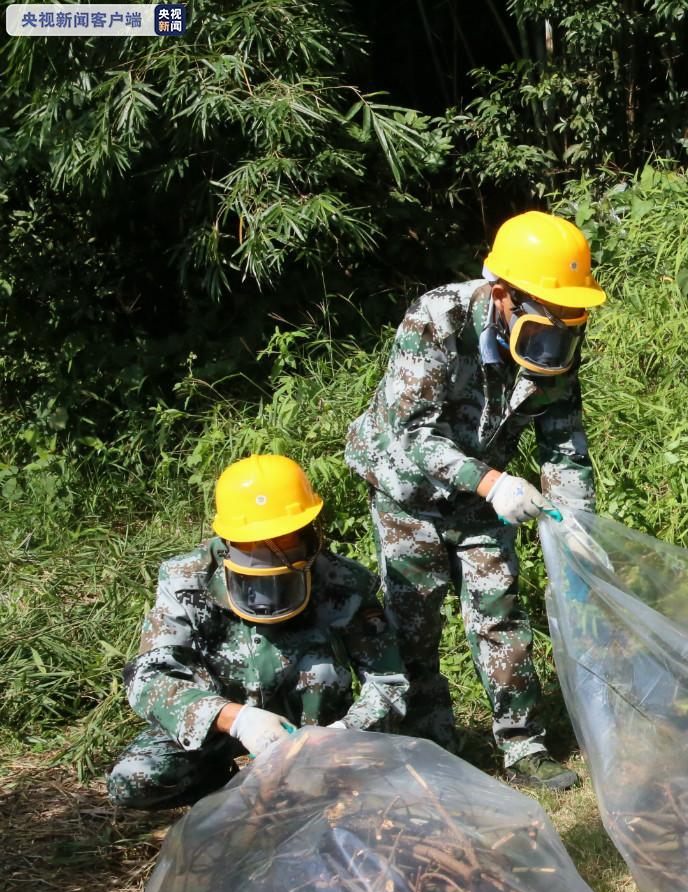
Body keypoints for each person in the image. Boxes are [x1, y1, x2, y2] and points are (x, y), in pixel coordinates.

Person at [345, 210, 602, 789]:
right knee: (415, 616)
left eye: (569, 319)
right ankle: (433, 744)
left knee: (501, 612)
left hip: (486, 495)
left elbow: (563, 441)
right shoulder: (439, 317)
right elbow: (413, 433)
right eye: (547, 316)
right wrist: (494, 484)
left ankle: (524, 744)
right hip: (406, 488)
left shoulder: (559, 338)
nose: (559, 330)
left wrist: (575, 521)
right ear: (504, 293)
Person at [108, 455, 409, 810]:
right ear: (228, 539)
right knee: (134, 779)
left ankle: (306, 788)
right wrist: (237, 720)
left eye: (282, 538)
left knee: (323, 673)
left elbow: (388, 685)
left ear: (310, 532)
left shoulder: (344, 584)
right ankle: (227, 795)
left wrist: (342, 736)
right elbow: (149, 677)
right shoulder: (186, 581)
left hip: (313, 739)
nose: (270, 549)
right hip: (219, 727)